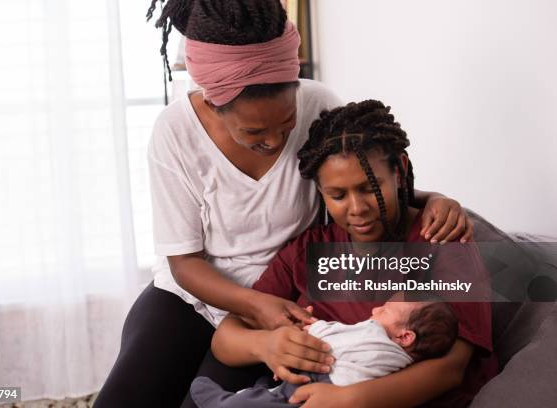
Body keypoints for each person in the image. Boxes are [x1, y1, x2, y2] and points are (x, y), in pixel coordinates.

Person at [93, 2, 474, 407]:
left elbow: (354, 178)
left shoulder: (319, 105)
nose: (275, 143)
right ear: (212, 103)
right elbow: (184, 263)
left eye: (286, 124)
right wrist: (257, 309)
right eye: (254, 132)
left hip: (284, 297)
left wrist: (434, 199)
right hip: (197, 296)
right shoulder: (175, 131)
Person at [208, 100, 497, 408]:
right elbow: (225, 339)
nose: (357, 209)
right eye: (338, 195)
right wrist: (265, 345)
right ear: (320, 192)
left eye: (369, 188)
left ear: (399, 172)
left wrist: (349, 399)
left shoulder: (442, 241)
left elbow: (451, 369)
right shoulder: (306, 252)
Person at [190, 298, 458, 407]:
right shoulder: (403, 362)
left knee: (250, 406)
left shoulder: (375, 334)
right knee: (269, 395)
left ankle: (221, 403)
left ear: (405, 336)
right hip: (312, 383)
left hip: (320, 385)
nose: (376, 311)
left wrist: (309, 326)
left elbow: (334, 340)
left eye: (385, 310)